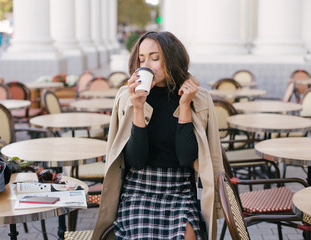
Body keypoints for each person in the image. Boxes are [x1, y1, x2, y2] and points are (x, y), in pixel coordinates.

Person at [92, 31, 223, 240]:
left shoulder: (199, 98)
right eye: (141, 59)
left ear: (172, 59)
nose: (147, 65)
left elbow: (186, 158)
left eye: (155, 58)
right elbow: (136, 160)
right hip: (139, 189)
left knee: (187, 236)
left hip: (179, 190)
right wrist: (137, 108)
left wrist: (185, 106)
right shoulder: (127, 97)